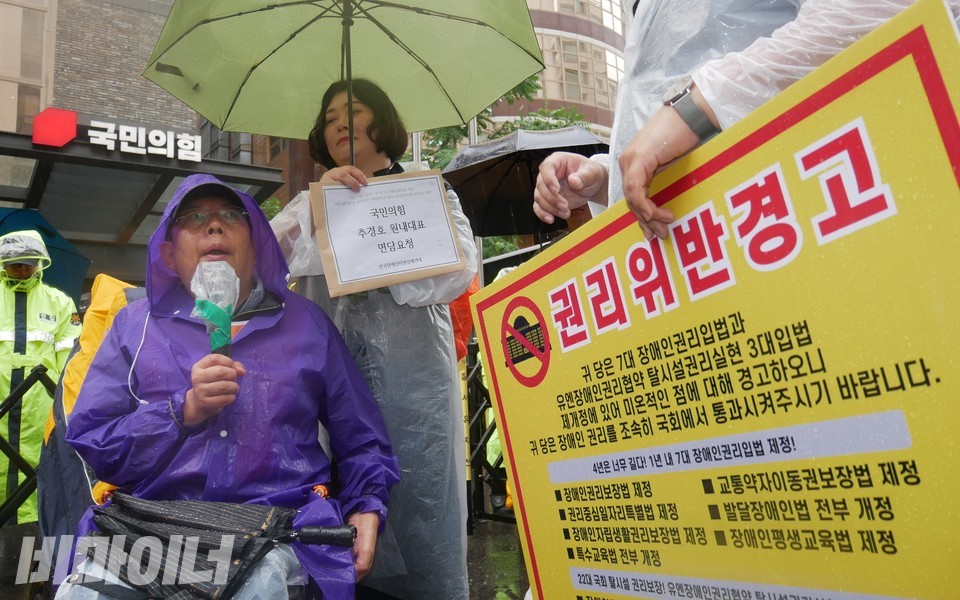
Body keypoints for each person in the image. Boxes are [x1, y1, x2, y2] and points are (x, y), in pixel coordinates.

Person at [59, 174, 400, 599]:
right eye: (193, 218)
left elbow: (361, 438)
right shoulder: (134, 326)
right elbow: (94, 440)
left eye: (231, 215)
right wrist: (181, 412)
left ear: (255, 245)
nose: (214, 226)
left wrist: (366, 506)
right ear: (169, 253)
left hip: (281, 526)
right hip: (150, 525)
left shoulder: (308, 323)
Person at [271, 78, 479, 599]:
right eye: (329, 118)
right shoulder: (312, 201)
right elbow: (266, 260)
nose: (340, 123)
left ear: (382, 121)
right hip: (331, 394)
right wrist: (319, 207)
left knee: (421, 505)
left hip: (416, 391)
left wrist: (383, 255)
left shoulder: (425, 191)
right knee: (338, 510)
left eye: (354, 110)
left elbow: (458, 271)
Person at [533, 0, 943, 239]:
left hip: (785, 218)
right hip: (696, 253)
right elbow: (662, 92)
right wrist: (607, 176)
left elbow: (876, 10)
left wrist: (699, 106)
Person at [0, 229, 80, 525]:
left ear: (39, 263)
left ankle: (31, 528)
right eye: (15, 263)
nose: (22, 269)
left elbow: (72, 359)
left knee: (39, 462)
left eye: (28, 263)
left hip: (40, 405)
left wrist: (65, 405)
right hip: (1, 400)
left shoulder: (59, 302)